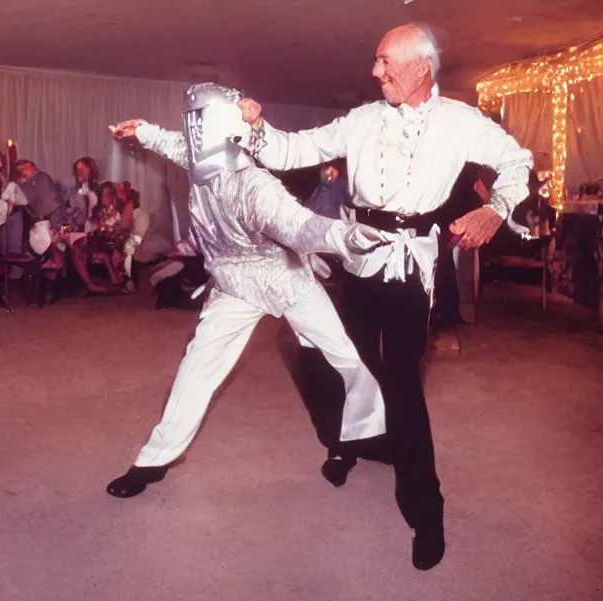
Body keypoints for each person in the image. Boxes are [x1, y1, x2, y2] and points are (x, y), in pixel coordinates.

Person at [238, 24, 534, 570]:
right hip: (356, 254)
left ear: (421, 67)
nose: (375, 72)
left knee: (401, 378)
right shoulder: (362, 119)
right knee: (340, 358)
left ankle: (426, 508)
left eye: (384, 62)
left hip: (407, 264)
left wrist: (496, 209)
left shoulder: (462, 122)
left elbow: (520, 162)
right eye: (376, 62)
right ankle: (353, 443)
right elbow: (295, 148)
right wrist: (259, 128)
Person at [105, 82, 390, 500]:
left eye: (201, 122)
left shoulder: (255, 184)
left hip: (284, 279)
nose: (193, 133)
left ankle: (370, 437)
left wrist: (345, 236)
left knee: (345, 356)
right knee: (197, 367)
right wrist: (143, 131)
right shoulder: (202, 161)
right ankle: (153, 461)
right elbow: (174, 145)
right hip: (234, 285)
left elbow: (298, 226)